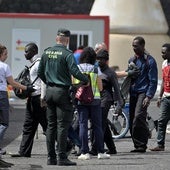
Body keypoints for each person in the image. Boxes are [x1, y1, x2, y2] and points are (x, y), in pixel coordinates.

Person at [38, 28, 89, 166]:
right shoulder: (67, 54)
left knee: (51, 126)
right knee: (62, 126)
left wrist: (49, 81)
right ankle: (61, 157)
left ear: (56, 39)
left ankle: (50, 158)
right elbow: (74, 71)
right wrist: (85, 79)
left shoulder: (47, 52)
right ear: (67, 40)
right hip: (62, 93)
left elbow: (40, 72)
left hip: (49, 91)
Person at [10, 43, 47, 157]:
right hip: (32, 99)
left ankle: (66, 145)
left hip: (38, 98)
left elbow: (44, 81)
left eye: (27, 51)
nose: (25, 53)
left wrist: (42, 98)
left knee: (47, 126)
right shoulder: (33, 64)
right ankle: (24, 152)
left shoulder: (39, 63)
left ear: (34, 51)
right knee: (28, 126)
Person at [0, 44, 34, 168]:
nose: (7, 56)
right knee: (4, 124)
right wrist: (27, 88)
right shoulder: (4, 66)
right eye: (5, 54)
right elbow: (12, 83)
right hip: (1, 95)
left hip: (3, 96)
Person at [74, 46, 110, 160]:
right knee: (97, 126)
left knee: (83, 125)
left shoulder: (77, 68)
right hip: (95, 100)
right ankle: (100, 151)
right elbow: (100, 87)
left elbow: (73, 84)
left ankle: (84, 152)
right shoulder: (95, 68)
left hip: (81, 101)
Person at [90, 49, 124, 155]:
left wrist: (120, 105)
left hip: (107, 99)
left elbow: (117, 90)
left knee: (99, 123)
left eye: (102, 59)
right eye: (98, 59)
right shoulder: (95, 70)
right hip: (96, 99)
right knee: (101, 123)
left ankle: (95, 148)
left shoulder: (110, 73)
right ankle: (112, 148)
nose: (100, 61)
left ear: (106, 60)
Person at [128, 36, 158, 153]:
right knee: (132, 120)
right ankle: (137, 145)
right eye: (133, 46)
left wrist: (148, 96)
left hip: (143, 93)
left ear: (143, 46)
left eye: (136, 46)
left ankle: (142, 145)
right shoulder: (132, 60)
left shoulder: (150, 61)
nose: (134, 48)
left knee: (138, 117)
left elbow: (153, 81)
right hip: (133, 93)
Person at [150, 43, 170, 151]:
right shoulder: (164, 64)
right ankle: (160, 145)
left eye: (164, 52)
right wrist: (159, 97)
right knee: (162, 120)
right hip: (166, 97)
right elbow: (163, 81)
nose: (162, 54)